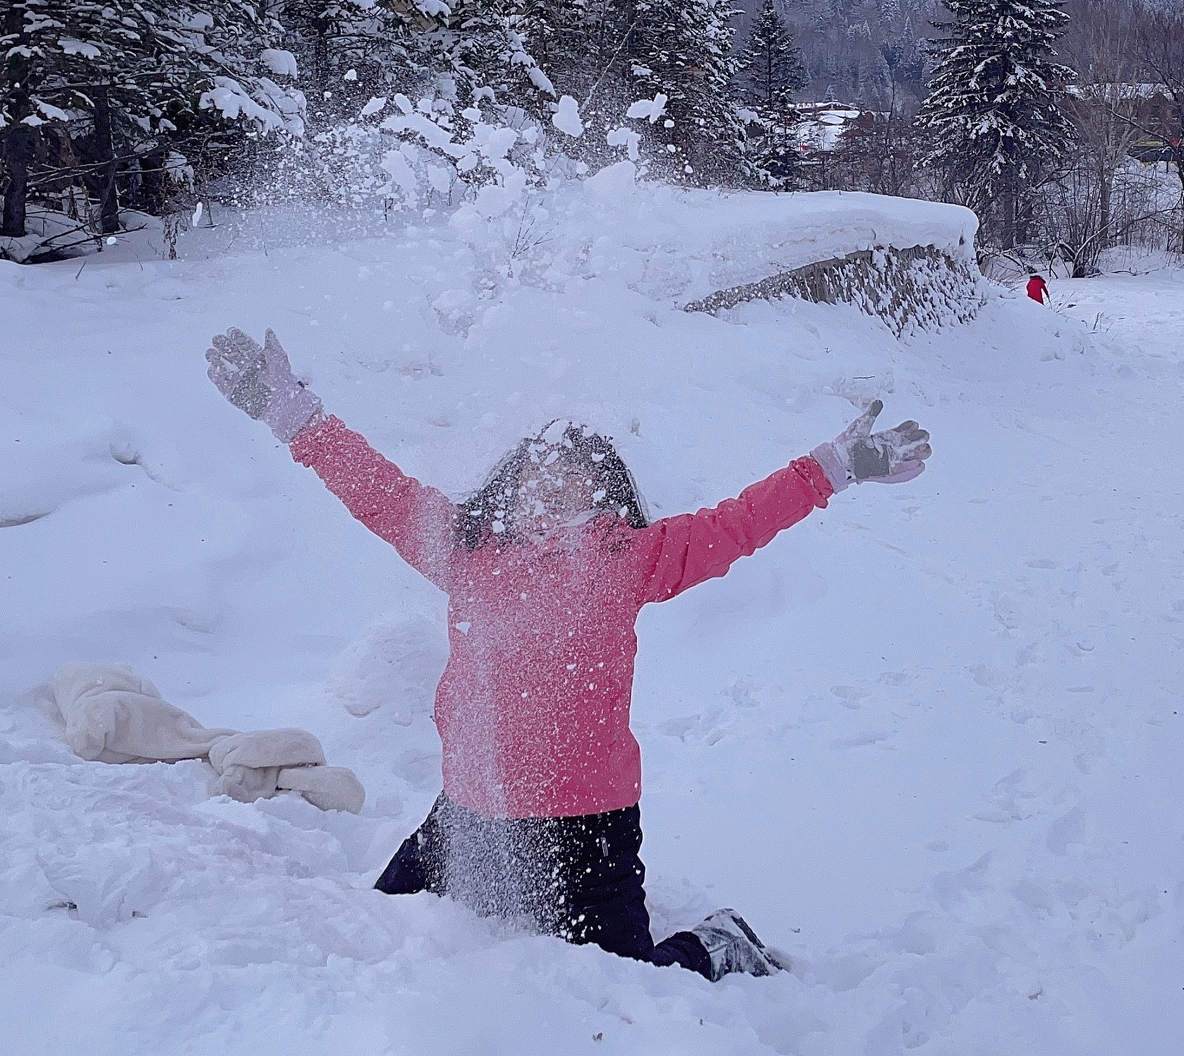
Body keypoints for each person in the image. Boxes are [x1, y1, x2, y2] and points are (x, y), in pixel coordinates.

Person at [205, 329, 932, 979]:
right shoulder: (466, 548)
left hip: (590, 825)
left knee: (631, 978)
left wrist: (835, 466)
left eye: (576, 470)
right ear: (510, 481)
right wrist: (291, 413)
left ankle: (719, 945)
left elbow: (737, 523)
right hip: (471, 813)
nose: (554, 482)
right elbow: (379, 491)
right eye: (538, 469)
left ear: (603, 487)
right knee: (390, 924)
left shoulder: (630, 558)